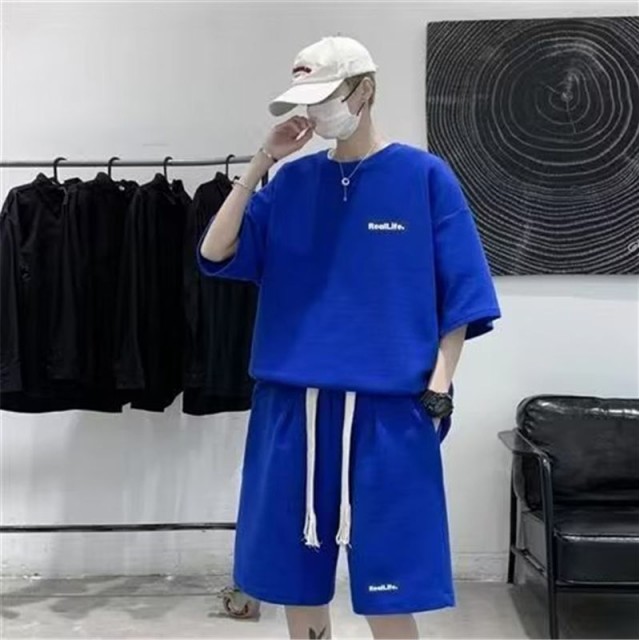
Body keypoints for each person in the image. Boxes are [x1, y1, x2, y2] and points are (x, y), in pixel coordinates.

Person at [198, 35, 501, 640]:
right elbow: (215, 249)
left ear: (364, 90)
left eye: (326, 96)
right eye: (305, 101)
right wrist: (261, 162)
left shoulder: (424, 177)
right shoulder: (291, 182)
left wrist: (440, 387)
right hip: (294, 406)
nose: (315, 112)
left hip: (391, 408)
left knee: (391, 586)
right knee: (295, 579)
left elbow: (462, 297)